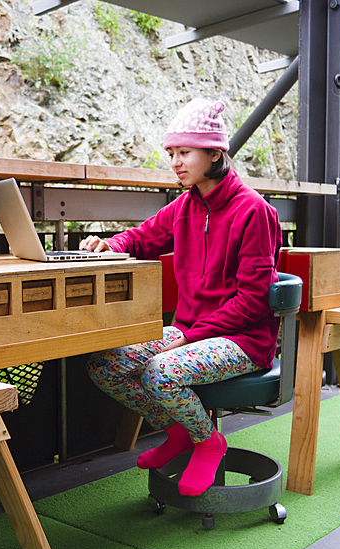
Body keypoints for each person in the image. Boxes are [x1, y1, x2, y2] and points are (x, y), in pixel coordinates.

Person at [80, 98, 281, 497]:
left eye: (184, 152)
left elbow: (254, 301)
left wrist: (187, 337)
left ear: (214, 152)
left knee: (160, 371)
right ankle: (182, 432)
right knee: (105, 366)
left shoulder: (254, 211)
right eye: (171, 153)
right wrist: (109, 245)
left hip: (243, 340)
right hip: (190, 332)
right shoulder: (185, 207)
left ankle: (209, 442)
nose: (175, 162)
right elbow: (141, 238)